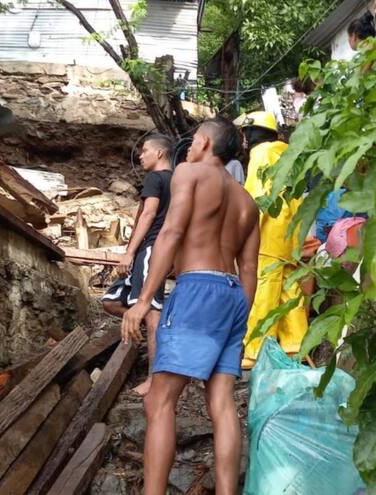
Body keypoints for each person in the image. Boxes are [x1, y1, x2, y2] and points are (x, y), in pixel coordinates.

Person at [121, 117, 259, 495]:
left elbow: (173, 231)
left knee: (160, 401)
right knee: (222, 401)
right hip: (233, 294)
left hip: (198, 285)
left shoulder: (190, 172)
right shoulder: (247, 201)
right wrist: (239, 321)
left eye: (194, 141)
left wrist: (144, 300)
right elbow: (249, 268)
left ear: (202, 143)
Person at [102, 134, 173, 396]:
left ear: (160, 154)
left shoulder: (157, 178)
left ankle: (155, 379)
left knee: (152, 313)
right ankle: (157, 333)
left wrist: (129, 252)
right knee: (110, 301)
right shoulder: (177, 181)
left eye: (144, 151)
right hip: (153, 250)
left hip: (151, 249)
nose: (140, 156)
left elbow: (149, 214)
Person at [234, 111, 306, 368]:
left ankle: (256, 351)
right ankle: (295, 345)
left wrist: (241, 233)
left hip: (267, 236)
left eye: (244, 132)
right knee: (289, 290)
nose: (242, 139)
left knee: (263, 291)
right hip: (288, 237)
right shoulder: (285, 154)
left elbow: (256, 198)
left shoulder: (261, 154)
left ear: (251, 133)